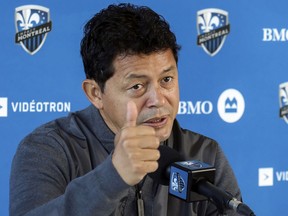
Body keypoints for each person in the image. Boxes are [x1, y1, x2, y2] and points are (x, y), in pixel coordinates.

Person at [10, 3, 242, 216]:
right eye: (137, 86)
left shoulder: (205, 154)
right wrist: (112, 177)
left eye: (167, 79)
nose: (158, 100)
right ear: (95, 93)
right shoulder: (48, 149)